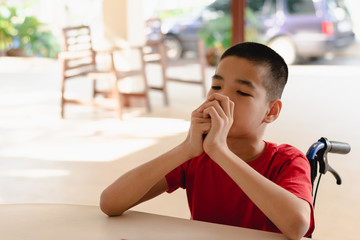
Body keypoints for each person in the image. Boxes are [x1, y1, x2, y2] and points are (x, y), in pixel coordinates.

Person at [100, 42, 314, 239]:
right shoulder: (196, 155)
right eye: (217, 87)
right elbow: (110, 203)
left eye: (241, 92)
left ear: (271, 111)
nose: (223, 99)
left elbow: (297, 226)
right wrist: (185, 149)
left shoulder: (287, 160)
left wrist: (221, 152)